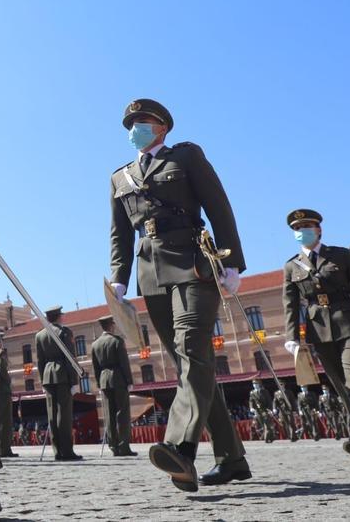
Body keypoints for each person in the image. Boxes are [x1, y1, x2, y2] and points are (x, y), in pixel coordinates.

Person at [110, 99, 248, 492]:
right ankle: (232, 459)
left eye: (143, 121)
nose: (135, 127)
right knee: (191, 362)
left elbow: (218, 205)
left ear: (162, 127)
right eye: (130, 123)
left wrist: (233, 261)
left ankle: (179, 448)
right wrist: (119, 279)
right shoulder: (119, 178)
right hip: (150, 274)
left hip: (192, 263)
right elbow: (119, 233)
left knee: (191, 351)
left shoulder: (186, 156)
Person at [282, 208, 350, 467]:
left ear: (319, 230)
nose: (302, 232)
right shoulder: (291, 266)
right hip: (319, 332)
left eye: (307, 226)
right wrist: (291, 336)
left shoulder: (340, 256)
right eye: (298, 229)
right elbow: (290, 303)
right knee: (345, 388)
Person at [36, 306, 80, 461]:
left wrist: (42, 380)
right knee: (64, 414)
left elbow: (40, 361)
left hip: (48, 376)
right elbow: (69, 357)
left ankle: (57, 451)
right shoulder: (64, 332)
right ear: (58, 317)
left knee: (52, 415)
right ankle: (67, 451)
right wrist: (74, 381)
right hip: (62, 375)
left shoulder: (40, 335)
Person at [91, 316, 135, 457]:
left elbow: (95, 367)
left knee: (109, 414)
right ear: (111, 326)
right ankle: (124, 446)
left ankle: (113, 446)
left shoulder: (95, 344)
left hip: (104, 380)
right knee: (122, 413)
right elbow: (124, 363)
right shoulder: (117, 341)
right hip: (118, 379)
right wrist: (129, 381)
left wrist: (99, 383)